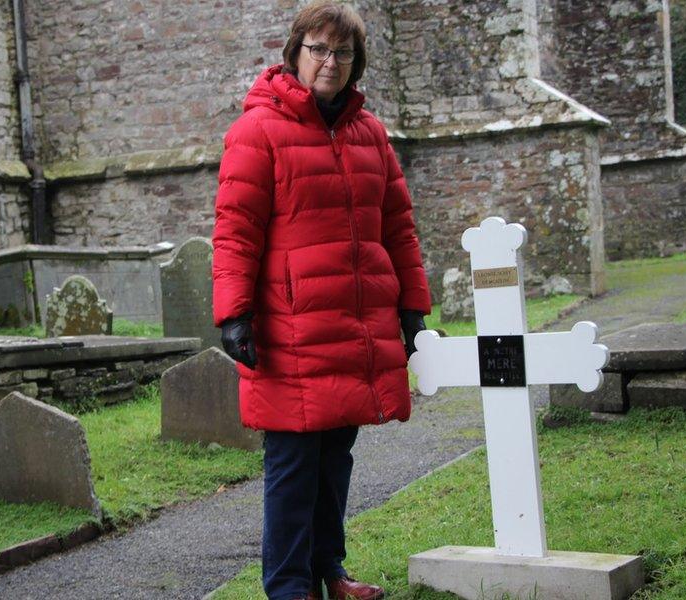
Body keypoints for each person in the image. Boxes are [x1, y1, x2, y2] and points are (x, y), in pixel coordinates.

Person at [211, 2, 432, 599]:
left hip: (354, 326)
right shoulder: (257, 131)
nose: (330, 62)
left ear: (356, 62)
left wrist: (411, 303)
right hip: (291, 330)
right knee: (292, 467)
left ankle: (328, 573)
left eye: (343, 53)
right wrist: (234, 314)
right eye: (319, 49)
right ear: (295, 53)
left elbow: (398, 227)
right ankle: (288, 587)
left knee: (335, 461)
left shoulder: (370, 133)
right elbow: (236, 229)